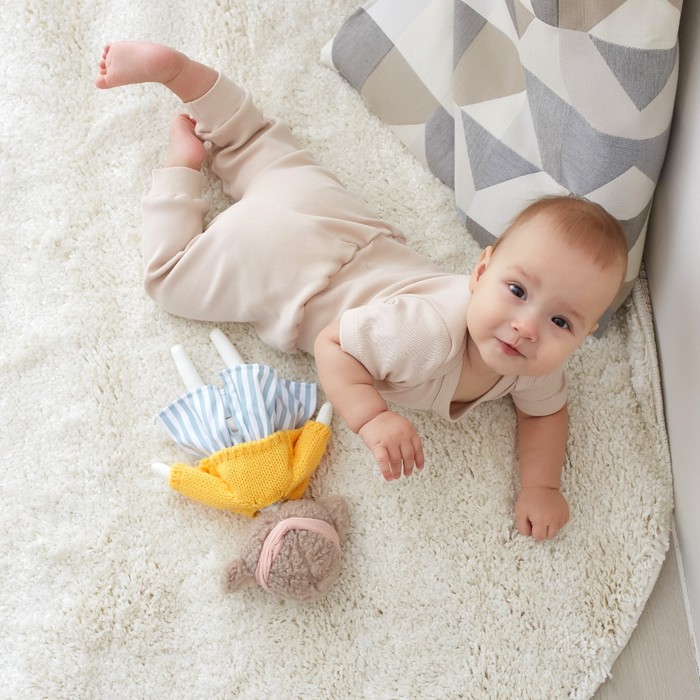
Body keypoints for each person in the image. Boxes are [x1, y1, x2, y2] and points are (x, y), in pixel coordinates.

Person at [95, 41, 628, 540]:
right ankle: (181, 164)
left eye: (561, 321)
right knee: (168, 277)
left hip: (333, 215)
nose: (527, 327)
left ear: (584, 333)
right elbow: (333, 344)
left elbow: (544, 413)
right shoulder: (424, 336)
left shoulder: (535, 362)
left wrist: (542, 486)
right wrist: (372, 417)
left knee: (254, 140)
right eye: (517, 290)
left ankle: (178, 71)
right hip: (284, 268)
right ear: (480, 270)